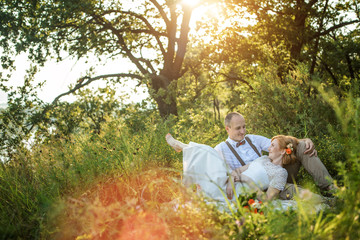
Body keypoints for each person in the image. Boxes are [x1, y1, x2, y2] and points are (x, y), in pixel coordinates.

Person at [214, 112, 336, 199]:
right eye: (238, 128)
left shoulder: (252, 139)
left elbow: (280, 145)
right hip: (260, 187)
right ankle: (326, 202)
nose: (243, 131)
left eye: (244, 127)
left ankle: (330, 188)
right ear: (227, 129)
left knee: (302, 146)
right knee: (293, 190)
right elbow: (219, 175)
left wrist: (304, 140)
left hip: (277, 172)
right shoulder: (220, 150)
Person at [166, 133, 317, 203]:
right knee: (211, 154)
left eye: (272, 145)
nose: (268, 147)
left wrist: (245, 179)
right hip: (231, 184)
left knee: (209, 156)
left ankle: (185, 148)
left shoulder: (280, 173)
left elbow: (266, 199)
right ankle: (184, 147)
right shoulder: (262, 158)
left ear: (283, 151)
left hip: (239, 193)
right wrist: (233, 178)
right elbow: (237, 171)